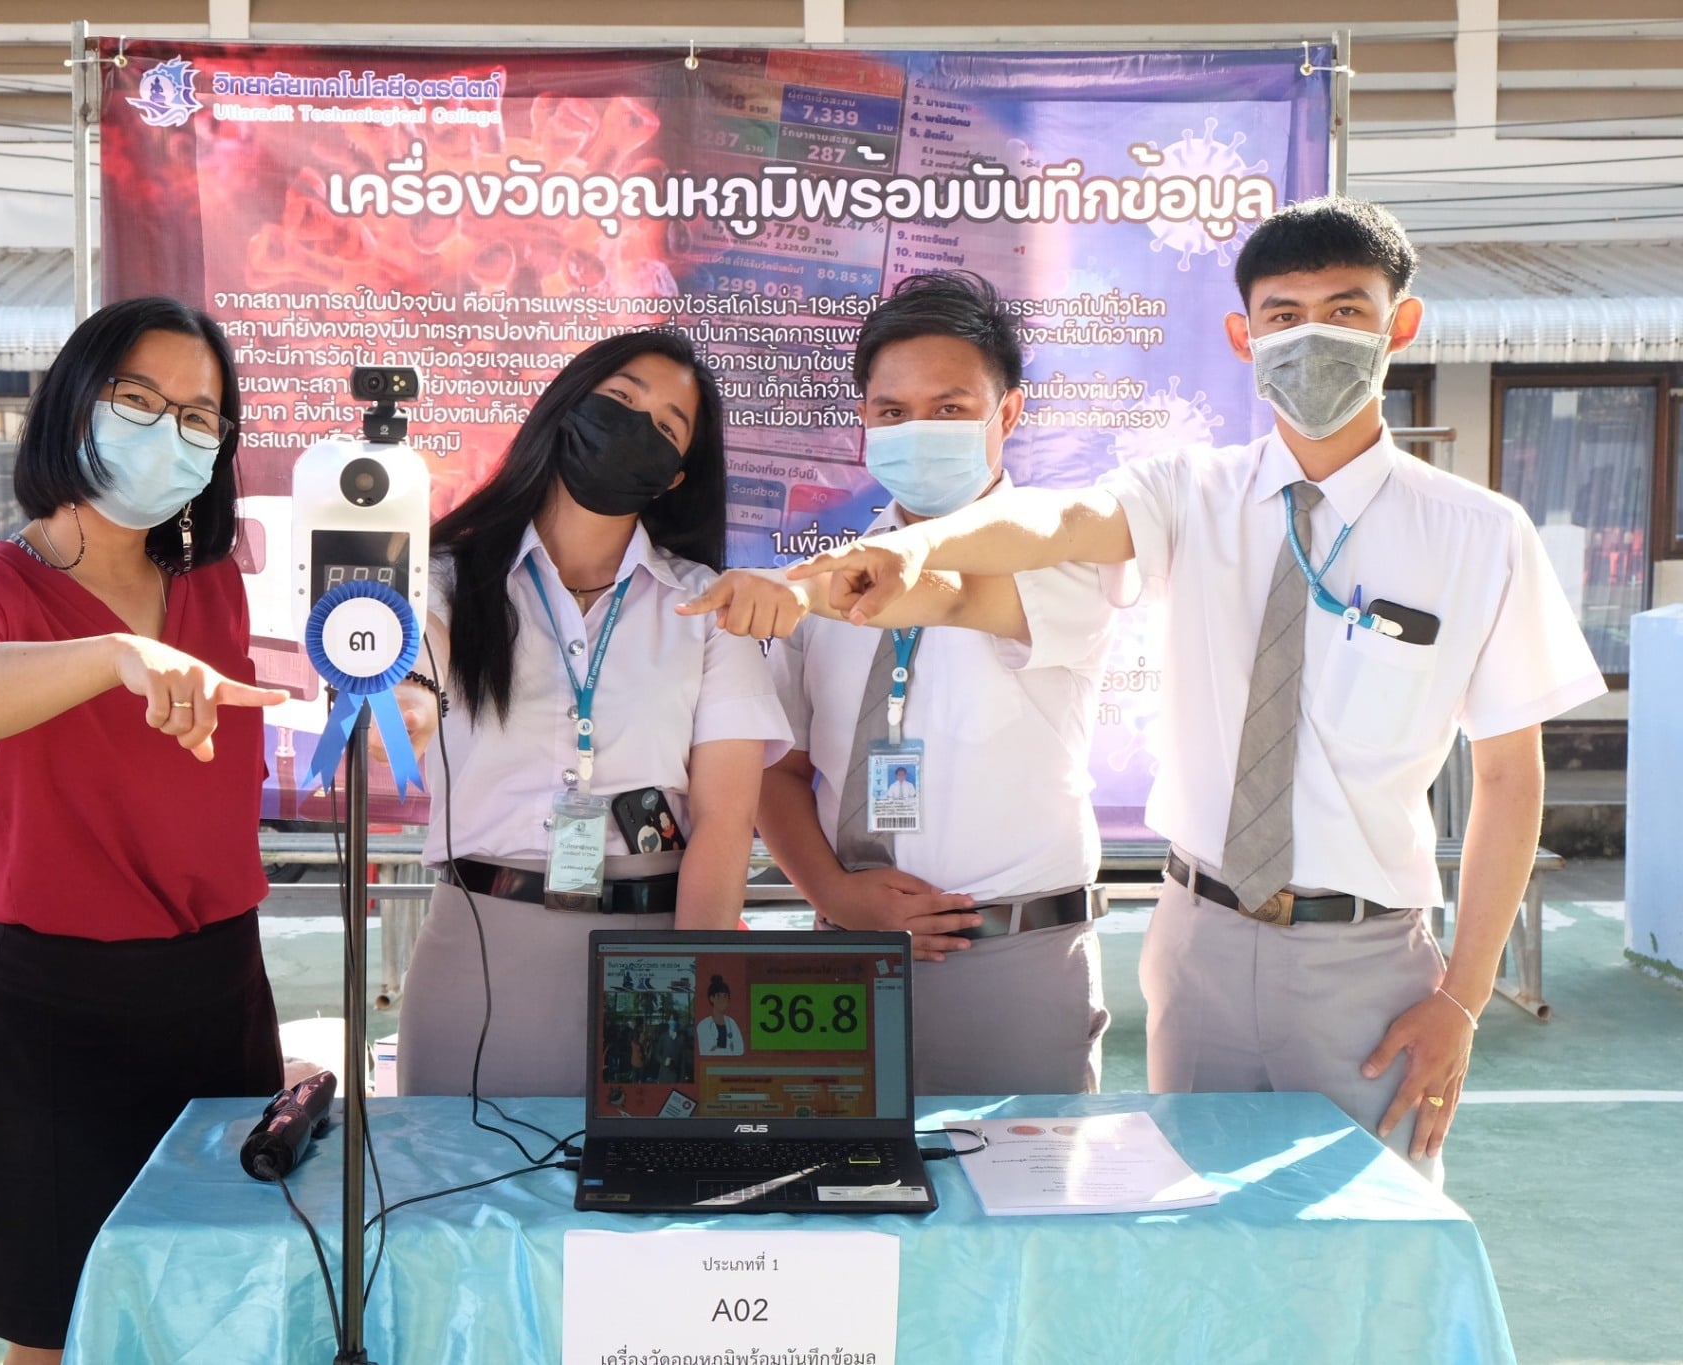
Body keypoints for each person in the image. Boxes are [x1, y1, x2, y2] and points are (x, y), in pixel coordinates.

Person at [792, 199, 1606, 1178]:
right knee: (1188, 1245)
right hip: (1198, 945)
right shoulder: (1188, 492)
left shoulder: (1477, 535)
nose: (1311, 336)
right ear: (1241, 336)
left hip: (1365, 966)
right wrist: (908, 550)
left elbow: (1511, 782)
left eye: (1344, 312)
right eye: (1282, 313)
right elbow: (1057, 527)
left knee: (1359, 1268)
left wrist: (1463, 999)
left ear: (1400, 325)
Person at [0, 297, 291, 1363]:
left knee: (214, 1299)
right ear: (74, 404)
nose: (171, 430)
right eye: (141, 399)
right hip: (56, 1004)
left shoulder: (212, 588)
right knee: (56, 1330)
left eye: (202, 416)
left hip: (218, 988)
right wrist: (112, 657)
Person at [683, 270, 1117, 1095]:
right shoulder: (815, 582)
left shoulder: (1068, 556)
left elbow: (945, 590)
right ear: (864, 425)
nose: (919, 431)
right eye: (893, 413)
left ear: (1008, 414)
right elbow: (778, 769)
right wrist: (838, 897)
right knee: (842, 1210)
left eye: (950, 409)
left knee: (1016, 1217)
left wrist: (810, 589)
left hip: (1011, 963)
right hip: (841, 957)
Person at [395, 329, 791, 1097]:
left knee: (639, 1204)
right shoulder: (446, 576)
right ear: (567, 405)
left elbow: (724, 820)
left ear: (676, 475)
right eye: (622, 400)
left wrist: (692, 985)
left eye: (669, 426)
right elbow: (417, 656)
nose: (639, 426)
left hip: (652, 955)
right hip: (479, 946)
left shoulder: (707, 603)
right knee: (453, 1199)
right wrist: (406, 700)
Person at [696, 975, 747, 1055]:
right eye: (718, 996)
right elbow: (706, 1052)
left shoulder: (732, 1023)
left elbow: (740, 1050)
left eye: (725, 996)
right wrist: (730, 1049)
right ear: (711, 998)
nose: (722, 1000)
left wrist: (716, 1048)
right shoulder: (703, 1025)